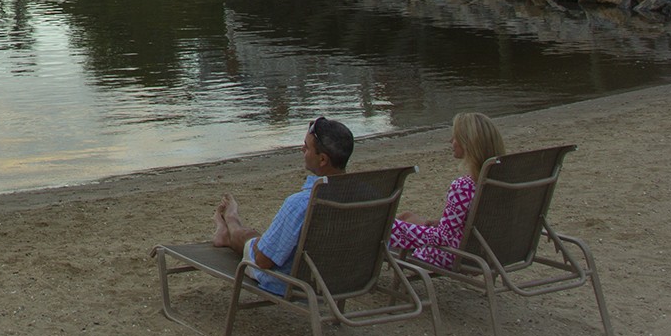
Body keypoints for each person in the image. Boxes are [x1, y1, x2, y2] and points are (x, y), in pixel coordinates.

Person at [210, 116, 355, 293]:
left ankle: (229, 224)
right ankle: (231, 228)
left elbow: (263, 261)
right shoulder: (368, 195)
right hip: (346, 279)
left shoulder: (302, 203)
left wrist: (259, 244)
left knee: (251, 238)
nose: (302, 149)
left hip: (294, 283)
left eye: (307, 147)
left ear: (322, 159)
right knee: (264, 238)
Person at [389, 111, 507, 267]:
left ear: (467, 143)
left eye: (455, 137)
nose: (451, 140)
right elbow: (477, 222)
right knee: (407, 217)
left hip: (455, 255)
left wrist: (396, 229)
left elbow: (442, 238)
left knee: (386, 225)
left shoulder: (463, 187)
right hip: (490, 250)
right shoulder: (501, 181)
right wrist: (437, 223)